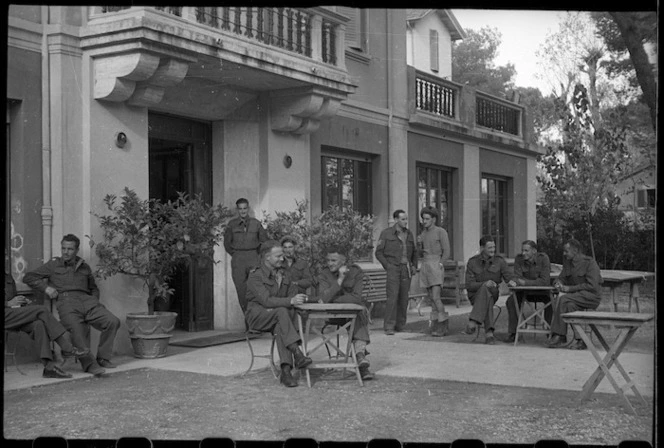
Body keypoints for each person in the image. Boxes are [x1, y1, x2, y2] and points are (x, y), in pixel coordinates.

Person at [23, 234, 121, 376]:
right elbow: (29, 277)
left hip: (88, 302)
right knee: (77, 329)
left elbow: (93, 288)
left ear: (76, 250)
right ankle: (90, 365)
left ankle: (103, 357)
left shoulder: (84, 267)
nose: (65, 252)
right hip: (67, 303)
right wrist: (46, 288)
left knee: (113, 321)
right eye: (63, 248)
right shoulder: (53, 265)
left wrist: (94, 301)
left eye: (70, 249)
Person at [244, 239, 312, 387]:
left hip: (278, 317)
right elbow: (267, 301)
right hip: (257, 316)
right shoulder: (255, 276)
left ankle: (286, 372)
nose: (283, 258)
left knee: (281, 326)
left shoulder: (285, 275)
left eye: (282, 255)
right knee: (282, 312)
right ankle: (297, 352)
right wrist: (290, 301)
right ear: (267, 257)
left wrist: (298, 299)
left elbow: (292, 295)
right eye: (278, 256)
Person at [5, 271, 88, 378]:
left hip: (11, 315)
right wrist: (7, 303)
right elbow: (9, 302)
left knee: (38, 324)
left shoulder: (8, 276)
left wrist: (21, 301)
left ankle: (49, 367)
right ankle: (67, 348)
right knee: (42, 310)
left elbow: (13, 298)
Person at [314, 246, 374, 380]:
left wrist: (332, 298)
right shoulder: (324, 274)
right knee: (358, 312)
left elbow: (357, 298)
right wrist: (340, 280)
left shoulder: (355, 272)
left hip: (352, 314)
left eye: (333, 260)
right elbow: (324, 298)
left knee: (357, 313)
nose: (330, 263)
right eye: (328, 260)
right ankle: (360, 357)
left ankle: (360, 358)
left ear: (343, 261)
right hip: (333, 315)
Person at [547, 238, 602, 350]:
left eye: (566, 251)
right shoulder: (568, 263)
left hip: (591, 296)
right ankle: (581, 340)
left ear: (575, 250)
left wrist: (569, 289)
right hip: (576, 297)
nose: (564, 254)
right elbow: (561, 277)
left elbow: (593, 286)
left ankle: (559, 335)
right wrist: (558, 283)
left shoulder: (589, 263)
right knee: (569, 306)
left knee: (563, 300)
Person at [463, 235, 513, 345]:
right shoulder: (472, 262)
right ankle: (489, 334)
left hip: (494, 293)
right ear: (482, 248)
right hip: (474, 296)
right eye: (490, 248)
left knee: (489, 293)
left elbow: (509, 278)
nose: (493, 250)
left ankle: (473, 321)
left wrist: (514, 282)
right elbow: (469, 285)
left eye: (494, 247)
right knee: (486, 293)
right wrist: (484, 284)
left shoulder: (500, 261)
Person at [375, 209, 417, 335]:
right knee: (392, 297)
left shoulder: (409, 234)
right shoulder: (386, 233)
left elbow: (415, 251)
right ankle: (389, 326)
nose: (405, 222)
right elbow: (378, 252)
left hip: (406, 268)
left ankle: (401, 325)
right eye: (403, 219)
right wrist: (387, 266)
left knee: (404, 297)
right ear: (396, 220)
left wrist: (414, 265)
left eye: (406, 219)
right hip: (393, 268)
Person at [224, 198, 268, 312]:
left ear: (248, 208)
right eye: (240, 209)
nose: (243, 211)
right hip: (238, 259)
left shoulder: (256, 223)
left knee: (255, 288)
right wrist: (237, 254)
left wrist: (257, 255)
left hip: (253, 257)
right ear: (237, 210)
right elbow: (227, 244)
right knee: (241, 290)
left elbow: (264, 242)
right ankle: (248, 320)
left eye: (245, 208)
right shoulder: (232, 224)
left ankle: (256, 321)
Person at [504, 240, 552, 343]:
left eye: (526, 250)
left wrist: (525, 283)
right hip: (524, 293)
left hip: (542, 292)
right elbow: (517, 278)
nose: (523, 253)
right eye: (522, 250)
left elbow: (545, 281)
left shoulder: (544, 259)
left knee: (552, 302)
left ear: (534, 251)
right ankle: (514, 333)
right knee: (511, 301)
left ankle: (551, 333)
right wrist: (522, 282)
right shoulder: (519, 259)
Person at [417, 206, 451, 337]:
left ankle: (443, 324)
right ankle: (435, 324)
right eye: (423, 218)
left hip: (436, 264)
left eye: (427, 219)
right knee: (431, 298)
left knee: (436, 297)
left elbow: (447, 251)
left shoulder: (440, 232)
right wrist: (419, 244)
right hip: (425, 265)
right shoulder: (423, 233)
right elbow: (420, 253)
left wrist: (440, 264)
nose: (424, 221)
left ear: (434, 219)